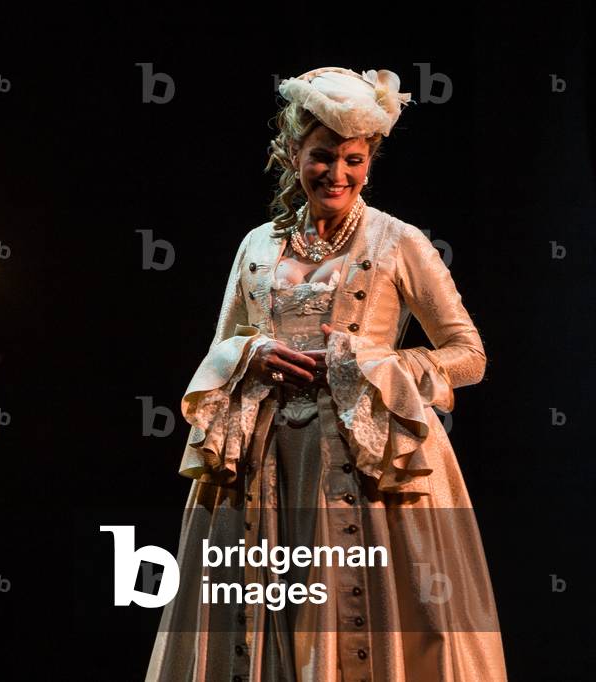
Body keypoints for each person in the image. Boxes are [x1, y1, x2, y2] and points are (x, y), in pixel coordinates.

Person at [145, 67, 507, 681]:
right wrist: (248, 356)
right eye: (322, 157)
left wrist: (372, 365)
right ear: (292, 154)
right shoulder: (256, 245)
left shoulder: (398, 241)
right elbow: (222, 345)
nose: (337, 174)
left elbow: (467, 354)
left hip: (372, 466)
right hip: (260, 462)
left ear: (369, 161)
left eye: (353, 159)